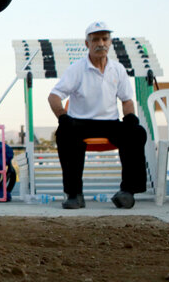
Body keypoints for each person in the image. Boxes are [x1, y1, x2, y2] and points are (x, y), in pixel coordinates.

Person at [47, 22, 148, 209]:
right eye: (95, 39)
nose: (100, 43)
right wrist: (63, 117)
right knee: (64, 133)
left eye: (104, 38)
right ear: (87, 44)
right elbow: (54, 96)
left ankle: (127, 192)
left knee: (137, 132)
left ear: (110, 42)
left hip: (110, 122)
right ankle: (74, 194)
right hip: (80, 123)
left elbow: (127, 100)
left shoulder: (118, 69)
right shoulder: (76, 69)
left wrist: (130, 118)